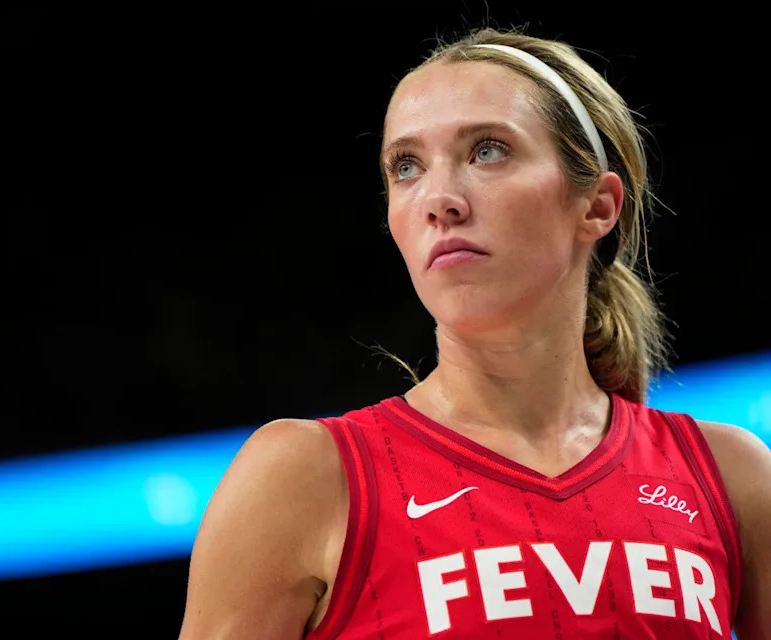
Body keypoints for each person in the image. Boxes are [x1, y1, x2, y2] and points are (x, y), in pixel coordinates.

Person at [177, 27, 770, 639]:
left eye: (488, 150)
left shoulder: (733, 479)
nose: (439, 199)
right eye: (406, 167)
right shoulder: (303, 478)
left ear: (596, 206)